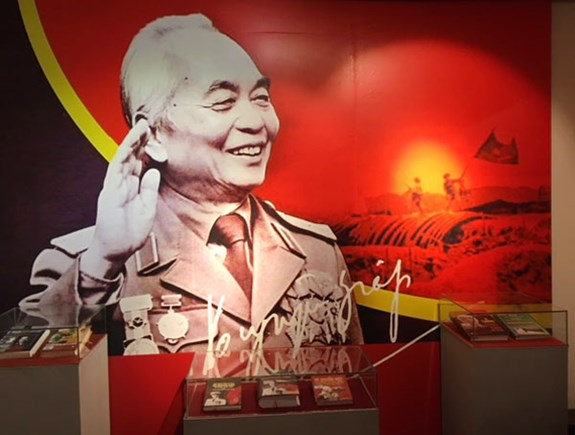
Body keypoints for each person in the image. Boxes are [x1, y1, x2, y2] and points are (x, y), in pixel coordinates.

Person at [19, 14, 363, 355]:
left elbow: (349, 375)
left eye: (260, 97)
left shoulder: (318, 251)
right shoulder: (87, 263)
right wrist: (101, 265)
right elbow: (34, 372)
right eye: (223, 102)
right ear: (153, 134)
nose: (256, 122)